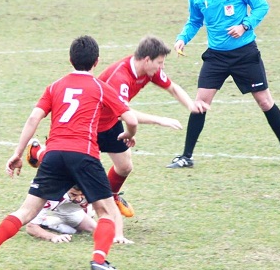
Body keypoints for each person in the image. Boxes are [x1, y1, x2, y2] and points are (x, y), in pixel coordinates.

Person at [0, 35, 138, 270]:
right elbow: (131, 118)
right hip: (85, 154)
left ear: (70, 60)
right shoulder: (100, 87)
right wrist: (128, 134)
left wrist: (17, 153)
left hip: (53, 155)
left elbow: (34, 118)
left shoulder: (55, 86)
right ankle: (99, 261)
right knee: (106, 211)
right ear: (96, 62)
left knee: (26, 211)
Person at [27, 35, 209, 218]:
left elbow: (173, 88)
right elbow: (126, 113)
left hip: (112, 123)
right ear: (147, 60)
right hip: (91, 124)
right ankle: (38, 153)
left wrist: (191, 105)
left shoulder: (148, 71)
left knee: (124, 166)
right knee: (72, 169)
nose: (162, 67)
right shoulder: (120, 77)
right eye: (160, 63)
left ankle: (110, 197)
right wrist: (159, 120)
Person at [165, 0, 280, 169]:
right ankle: (186, 156)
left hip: (245, 54)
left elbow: (262, 6)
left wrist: (244, 25)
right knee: (199, 104)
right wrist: (182, 38)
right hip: (216, 56)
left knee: (265, 101)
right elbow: (195, 21)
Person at [26, 185, 133, 244]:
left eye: (82, 194)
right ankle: (37, 151)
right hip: (58, 201)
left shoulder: (93, 186)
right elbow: (30, 227)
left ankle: (49, 222)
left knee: (94, 228)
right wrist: (52, 237)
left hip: (71, 210)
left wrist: (119, 235)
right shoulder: (50, 192)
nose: (78, 198)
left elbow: (112, 210)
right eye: (73, 194)